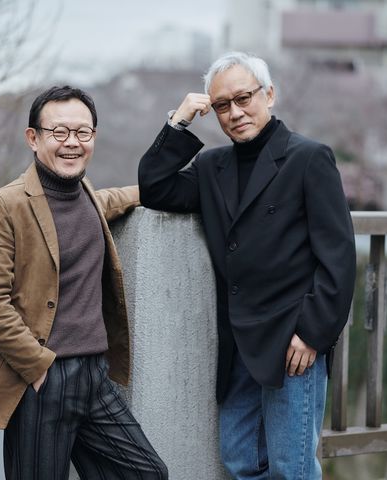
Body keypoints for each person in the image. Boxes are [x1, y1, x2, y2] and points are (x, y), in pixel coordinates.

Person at [138, 52, 356, 479]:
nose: (235, 113)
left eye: (244, 98)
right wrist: (178, 122)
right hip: (238, 342)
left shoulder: (308, 158)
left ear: (268, 95)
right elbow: (155, 187)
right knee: (240, 458)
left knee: (291, 467)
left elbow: (339, 257)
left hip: (292, 341)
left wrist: (312, 334)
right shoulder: (212, 166)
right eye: (222, 105)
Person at [0, 86, 168, 480]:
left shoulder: (87, 197)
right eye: (59, 132)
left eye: (82, 132)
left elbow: (119, 197)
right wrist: (38, 367)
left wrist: (178, 184)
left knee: (147, 473)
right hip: (42, 377)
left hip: (95, 377)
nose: (72, 142)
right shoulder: (5, 205)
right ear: (33, 138)